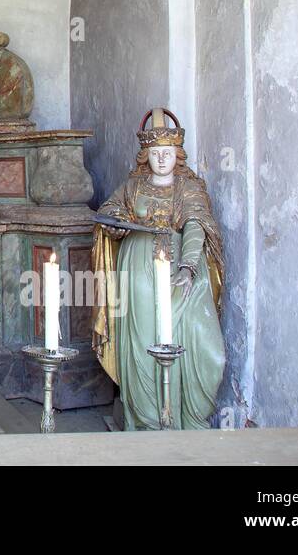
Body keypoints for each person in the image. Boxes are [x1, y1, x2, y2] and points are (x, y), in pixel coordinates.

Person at [91, 108, 226, 429]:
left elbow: (195, 225)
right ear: (145, 155)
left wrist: (189, 267)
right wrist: (117, 225)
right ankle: (149, 419)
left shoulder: (189, 188)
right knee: (141, 343)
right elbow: (109, 211)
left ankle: (190, 416)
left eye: (167, 153)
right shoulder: (133, 186)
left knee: (207, 348)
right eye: (155, 153)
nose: (161, 159)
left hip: (184, 271)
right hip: (138, 269)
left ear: (177, 154)